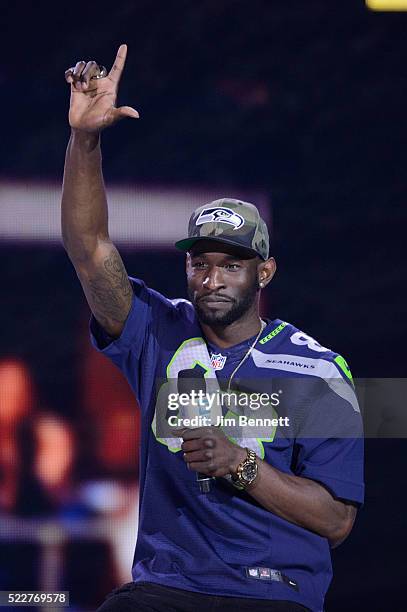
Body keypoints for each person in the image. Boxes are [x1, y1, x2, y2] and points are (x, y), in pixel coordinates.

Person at [62, 45, 364, 612]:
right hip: (167, 591)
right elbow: (89, 249)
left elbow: (337, 520)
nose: (212, 279)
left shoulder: (320, 369)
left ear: (265, 272)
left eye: (232, 265)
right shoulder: (157, 329)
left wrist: (240, 464)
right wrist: (85, 139)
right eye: (201, 264)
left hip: (272, 594)